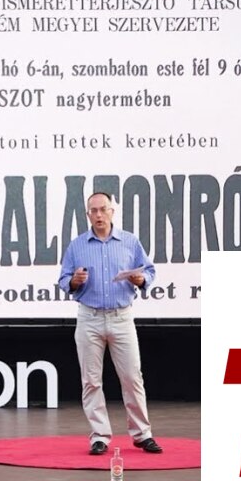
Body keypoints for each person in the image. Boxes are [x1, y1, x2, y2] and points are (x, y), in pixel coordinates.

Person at [57, 192, 162, 455]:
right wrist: (73, 282)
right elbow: (63, 279)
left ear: (112, 211)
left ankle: (142, 434)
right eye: (93, 211)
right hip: (89, 317)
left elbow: (149, 270)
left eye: (103, 209)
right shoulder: (77, 246)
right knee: (91, 381)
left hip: (121, 317)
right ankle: (99, 436)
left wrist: (141, 280)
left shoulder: (129, 241)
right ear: (87, 215)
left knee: (132, 377)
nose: (99, 215)